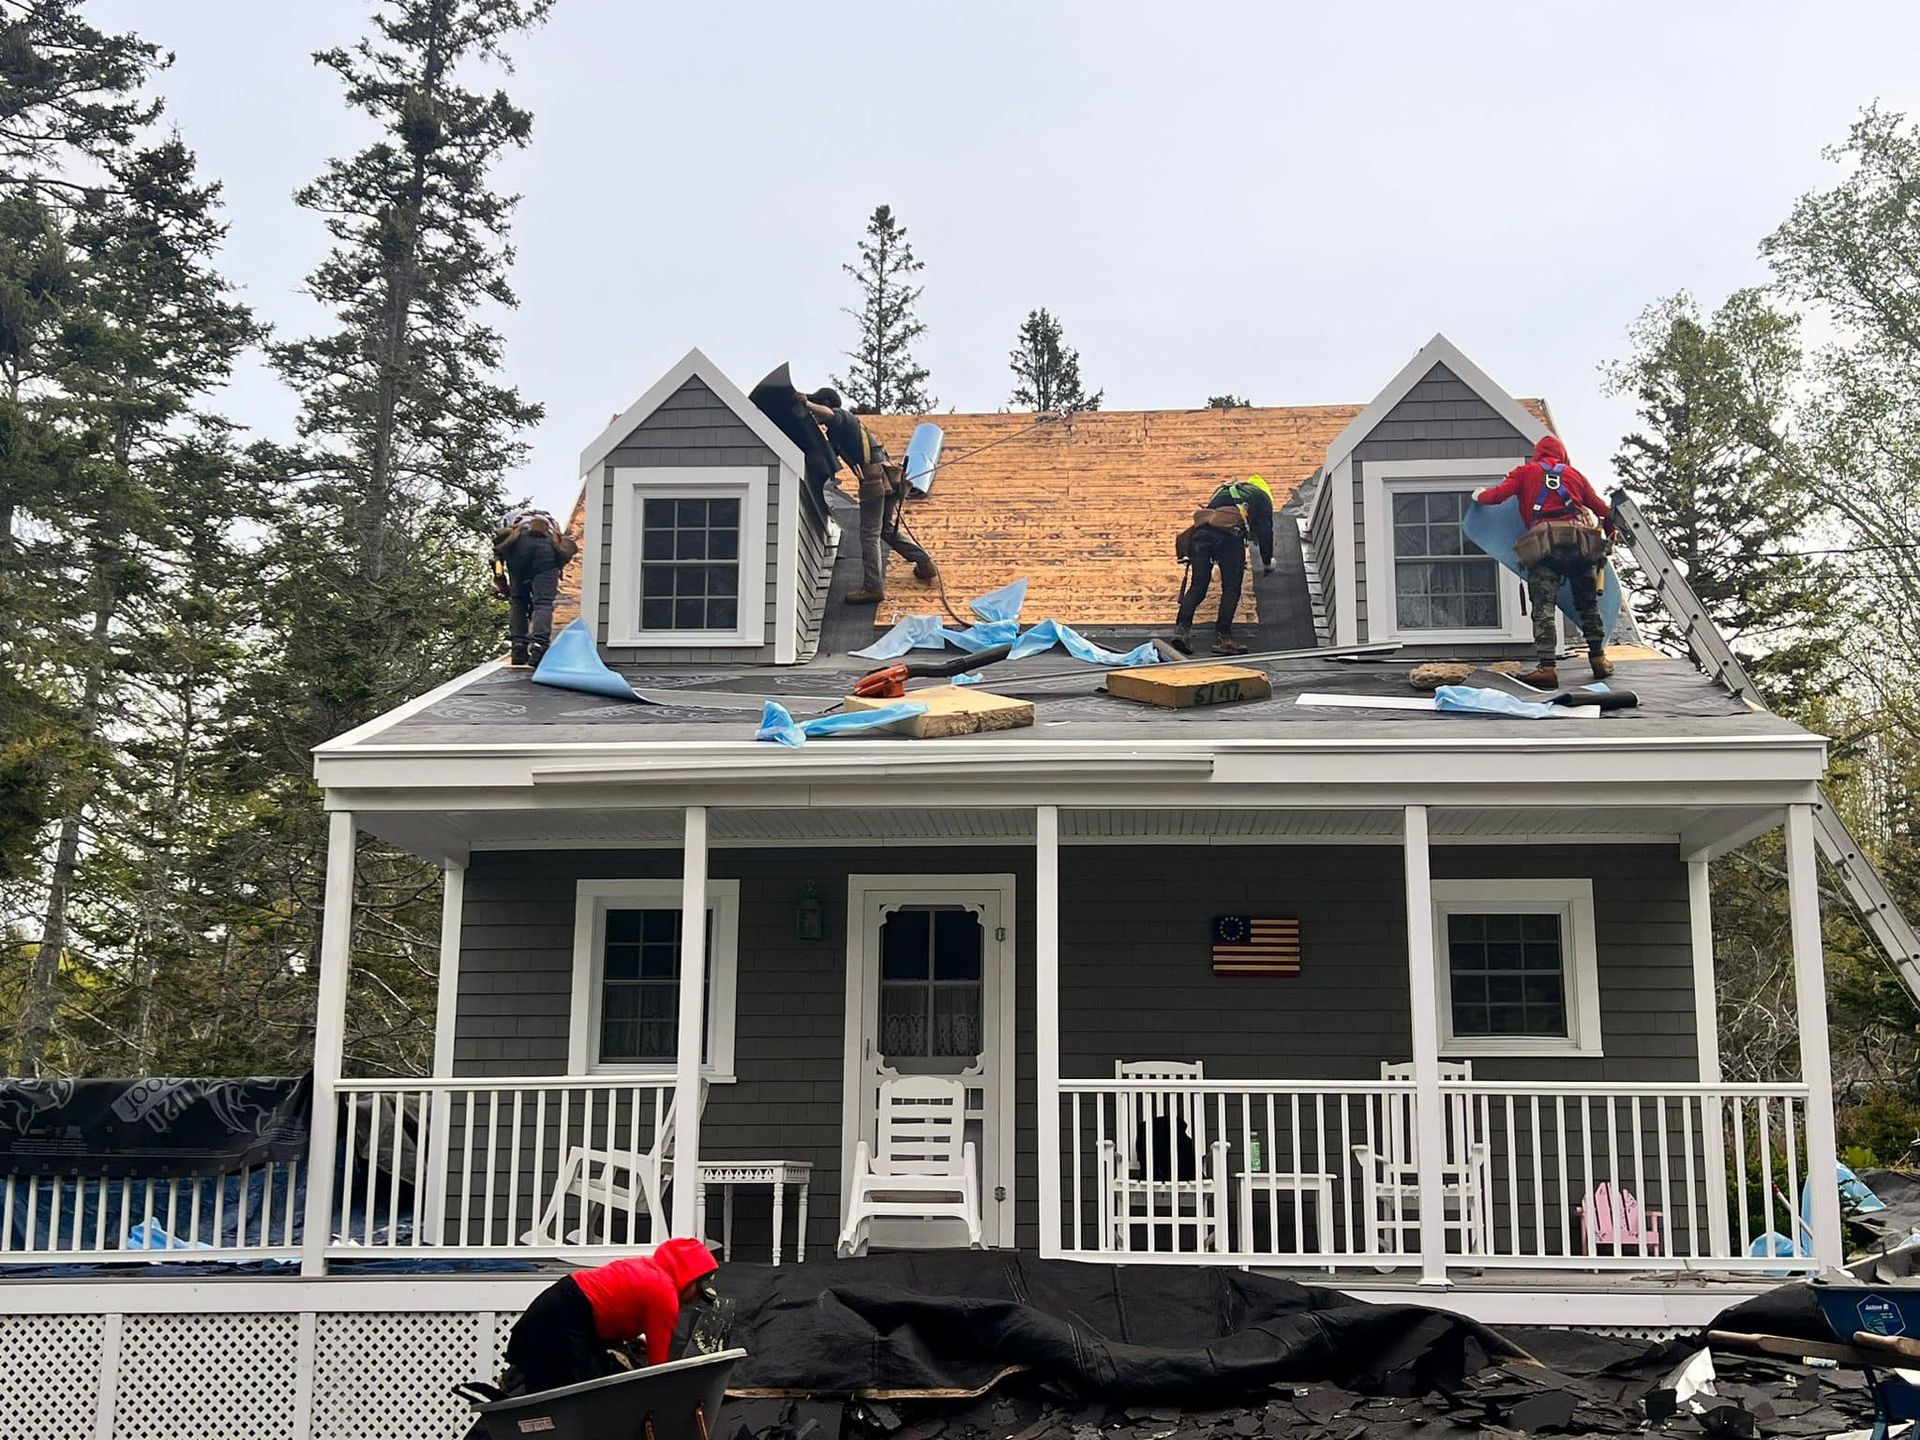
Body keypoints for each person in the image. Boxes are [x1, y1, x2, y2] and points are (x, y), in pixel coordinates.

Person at [1471, 435, 1614, 686]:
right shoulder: (1575, 476)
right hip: (1579, 546)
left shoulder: (1525, 472)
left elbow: (1497, 496)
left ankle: (1547, 668)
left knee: (1544, 607)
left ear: (1538, 454)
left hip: (1544, 548)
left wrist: (1479, 496)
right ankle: (1599, 660)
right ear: (1562, 454)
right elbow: (1603, 510)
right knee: (1588, 604)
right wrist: (1610, 534)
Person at [503, 1237, 719, 1395]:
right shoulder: (665, 1294)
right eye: (698, 1292)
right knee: (566, 1395)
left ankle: (514, 1383)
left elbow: (610, 1307)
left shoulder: (648, 1269)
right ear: (689, 1277)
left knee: (550, 1382)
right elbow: (658, 1367)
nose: (695, 1299)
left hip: (560, 1305)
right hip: (566, 1318)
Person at [804, 388, 938, 604]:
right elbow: (828, 456)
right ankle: (924, 562)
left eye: (817, 409)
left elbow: (830, 414)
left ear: (826, 404)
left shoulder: (843, 417)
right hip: (889, 478)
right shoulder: (841, 431)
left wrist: (807, 404)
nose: (815, 417)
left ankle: (873, 588)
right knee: (884, 529)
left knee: (869, 533)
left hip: (876, 480)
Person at [1172, 475, 1276, 656]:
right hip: (1229, 538)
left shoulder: (1224, 490)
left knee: (1198, 585)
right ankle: (1224, 637)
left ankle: (1182, 630)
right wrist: (1267, 563)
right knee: (1231, 588)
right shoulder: (1262, 497)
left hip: (1199, 537)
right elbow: (1265, 533)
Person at [493, 507, 576, 667]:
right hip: (547, 548)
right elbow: (561, 553)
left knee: (518, 601)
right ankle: (539, 647)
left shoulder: (511, 526)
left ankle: (518, 647)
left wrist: (505, 589)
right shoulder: (551, 522)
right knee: (543, 603)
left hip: (519, 547)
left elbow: (498, 567)